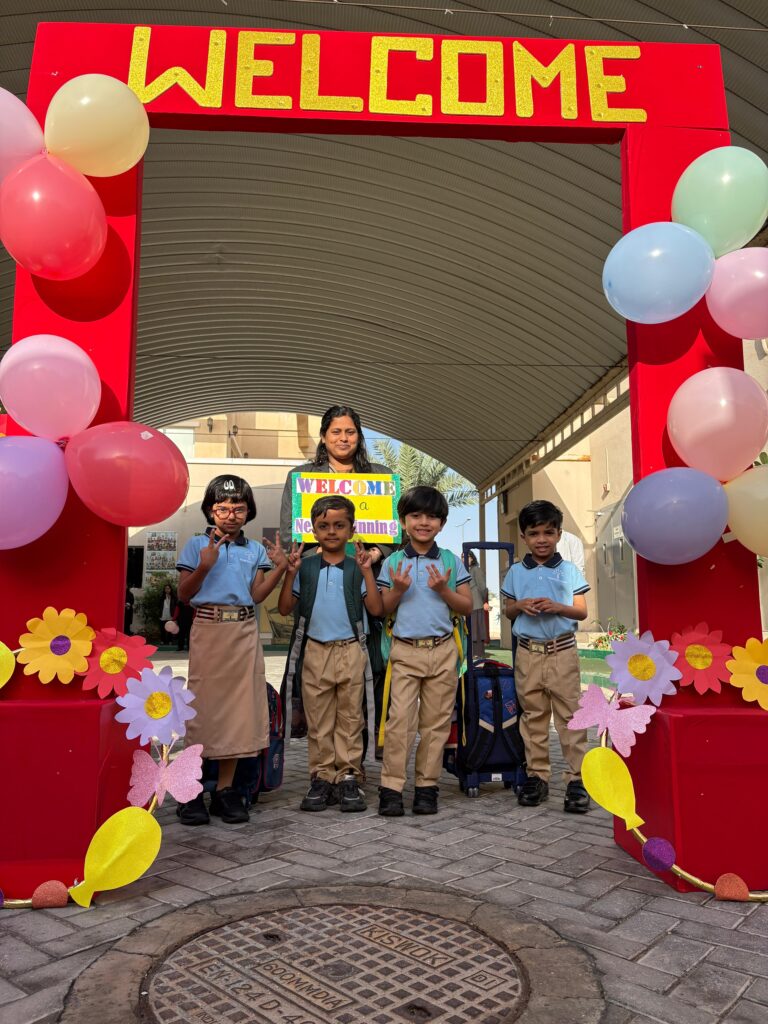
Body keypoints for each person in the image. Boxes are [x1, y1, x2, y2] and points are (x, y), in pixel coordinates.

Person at [278, 405, 393, 757]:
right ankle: (321, 767)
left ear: (359, 438)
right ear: (324, 437)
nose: (343, 438)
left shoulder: (380, 475)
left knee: (365, 677)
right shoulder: (301, 477)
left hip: (361, 586)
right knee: (314, 686)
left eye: (350, 432)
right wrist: (316, 560)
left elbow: (392, 535)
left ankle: (353, 766)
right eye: (336, 432)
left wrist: (376, 555)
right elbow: (288, 533)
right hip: (316, 586)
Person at [175, 475, 288, 826]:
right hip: (208, 628)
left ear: (248, 511)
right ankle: (191, 791)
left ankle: (226, 790)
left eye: (238, 508)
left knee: (240, 712)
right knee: (202, 710)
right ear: (210, 510)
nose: (230, 515)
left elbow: (255, 596)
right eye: (222, 508)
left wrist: (281, 567)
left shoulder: (253, 551)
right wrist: (205, 565)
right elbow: (184, 594)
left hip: (244, 630)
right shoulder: (196, 545)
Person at [278, 495, 384, 812]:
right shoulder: (306, 566)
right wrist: (291, 573)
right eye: (323, 526)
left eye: (340, 525)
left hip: (351, 648)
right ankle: (322, 777)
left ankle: (349, 776)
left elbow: (376, 609)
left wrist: (367, 572)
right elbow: (285, 608)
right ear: (313, 530)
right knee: (318, 717)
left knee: (351, 716)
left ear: (352, 530)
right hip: (314, 649)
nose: (332, 531)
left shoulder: (357, 566)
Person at [377, 486, 472, 817]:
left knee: (436, 723)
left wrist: (444, 589)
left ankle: (426, 787)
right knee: (399, 720)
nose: (423, 522)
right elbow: (380, 609)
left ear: (442, 524)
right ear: (403, 521)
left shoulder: (450, 561)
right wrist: (398, 590)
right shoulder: (392, 562)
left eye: (432, 516)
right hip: (404, 651)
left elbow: (467, 605)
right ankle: (391, 787)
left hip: (443, 650)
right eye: (415, 515)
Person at [501, 499, 590, 814]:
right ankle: (537, 775)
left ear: (558, 534)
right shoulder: (514, 572)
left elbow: (581, 610)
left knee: (570, 718)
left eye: (548, 533)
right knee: (533, 717)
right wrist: (520, 605)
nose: (541, 539)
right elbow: (508, 609)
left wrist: (559, 607)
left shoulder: (568, 570)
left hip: (562, 651)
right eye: (534, 533)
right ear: (523, 536)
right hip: (528, 654)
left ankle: (578, 780)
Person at [466, 552, 489, 661]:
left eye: (466, 556)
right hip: (468, 605)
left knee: (477, 630)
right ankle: (471, 652)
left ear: (472, 558)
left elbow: (483, 587)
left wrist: (483, 600)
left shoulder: (476, 569)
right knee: (470, 629)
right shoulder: (466, 570)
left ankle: (478, 653)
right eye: (461, 556)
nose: (463, 558)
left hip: (476, 603)